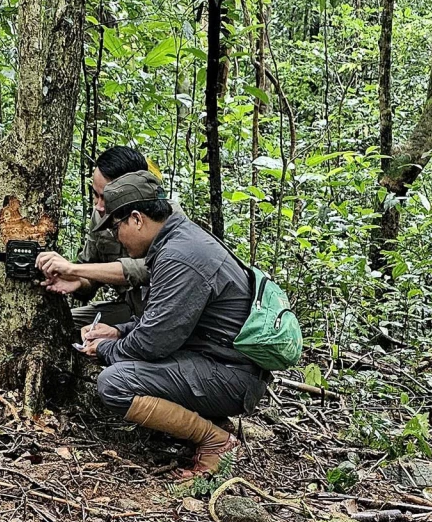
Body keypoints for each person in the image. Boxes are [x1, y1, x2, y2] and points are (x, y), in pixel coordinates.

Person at [79, 171, 267, 479]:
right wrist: (118, 331)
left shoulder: (180, 255)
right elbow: (166, 319)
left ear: (137, 219)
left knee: (115, 383)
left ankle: (215, 441)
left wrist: (107, 349)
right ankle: (212, 425)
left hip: (231, 375)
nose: (117, 238)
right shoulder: (180, 240)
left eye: (116, 228)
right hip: (221, 365)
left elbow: (154, 343)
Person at [36, 146, 173, 327]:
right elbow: (89, 271)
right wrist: (77, 281)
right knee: (60, 325)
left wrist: (73, 270)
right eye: (95, 195)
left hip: (165, 312)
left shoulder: (164, 215)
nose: (99, 206)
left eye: (106, 197)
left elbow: (150, 268)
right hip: (129, 308)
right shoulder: (100, 215)